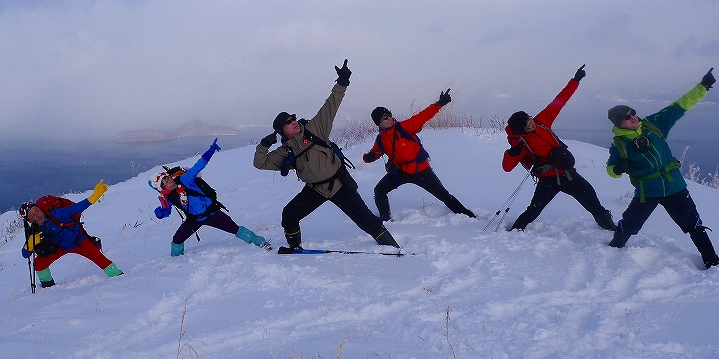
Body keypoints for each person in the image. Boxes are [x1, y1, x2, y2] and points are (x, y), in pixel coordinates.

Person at [254, 59, 400, 253]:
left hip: (338, 184)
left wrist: (342, 81)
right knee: (289, 215)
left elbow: (331, 105)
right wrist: (263, 145)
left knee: (366, 220)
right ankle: (295, 248)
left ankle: (394, 249)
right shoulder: (285, 152)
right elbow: (260, 162)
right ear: (282, 131)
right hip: (315, 190)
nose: (294, 121)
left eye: (293, 118)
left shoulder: (315, 129)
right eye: (289, 122)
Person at [606, 68, 719, 268]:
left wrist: (702, 87)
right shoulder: (619, 145)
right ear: (619, 124)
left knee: (693, 224)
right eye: (627, 116)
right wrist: (617, 169)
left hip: (674, 186)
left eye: (633, 112)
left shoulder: (653, 125)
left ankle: (713, 262)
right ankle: (611, 250)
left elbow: (679, 107)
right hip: (646, 191)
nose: (633, 116)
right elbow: (610, 169)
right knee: (629, 225)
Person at [502, 65, 617, 232]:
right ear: (521, 130)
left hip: (568, 173)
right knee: (534, 210)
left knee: (591, 199)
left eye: (530, 119)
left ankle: (609, 228)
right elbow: (507, 167)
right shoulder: (520, 143)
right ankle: (514, 231)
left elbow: (559, 101)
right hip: (548, 179)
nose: (532, 124)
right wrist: (510, 154)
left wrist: (575, 80)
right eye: (528, 126)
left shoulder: (541, 122)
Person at [362, 91, 476, 221]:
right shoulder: (381, 139)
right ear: (378, 122)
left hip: (421, 170)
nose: (390, 118)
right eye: (385, 117)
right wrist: (368, 157)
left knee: (443, 194)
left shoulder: (404, 127)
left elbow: (422, 116)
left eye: (389, 115)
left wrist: (439, 104)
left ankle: (468, 215)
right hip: (400, 171)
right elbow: (376, 152)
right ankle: (385, 219)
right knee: (379, 191)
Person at [152, 138, 271, 256]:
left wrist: (210, 151)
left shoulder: (185, 180)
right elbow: (166, 212)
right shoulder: (168, 198)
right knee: (177, 240)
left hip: (212, 213)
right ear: (162, 188)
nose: (170, 181)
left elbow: (198, 167)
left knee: (235, 229)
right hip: (194, 219)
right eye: (166, 182)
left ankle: (260, 242)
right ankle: (176, 260)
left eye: (168, 178)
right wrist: (161, 212)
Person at [20, 181, 122, 287]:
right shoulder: (33, 231)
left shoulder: (55, 214)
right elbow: (25, 255)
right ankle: (47, 288)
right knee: (39, 263)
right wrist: (29, 245)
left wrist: (94, 196)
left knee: (100, 259)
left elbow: (76, 208)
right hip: (60, 247)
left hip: (79, 241)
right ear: (29, 220)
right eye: (32, 215)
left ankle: (120, 277)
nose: (37, 215)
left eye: (37, 210)